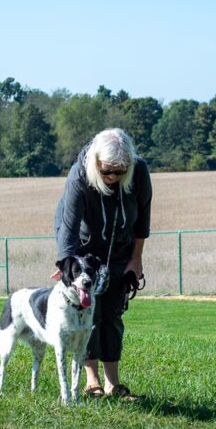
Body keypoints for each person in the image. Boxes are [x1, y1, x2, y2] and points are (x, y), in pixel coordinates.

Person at [53, 128, 152, 400]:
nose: (113, 178)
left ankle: (113, 384)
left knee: (112, 313)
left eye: (120, 172)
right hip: (85, 251)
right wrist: (67, 267)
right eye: (108, 171)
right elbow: (69, 226)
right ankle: (91, 381)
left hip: (120, 248)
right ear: (96, 163)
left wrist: (136, 260)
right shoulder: (79, 176)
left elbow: (143, 219)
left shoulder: (139, 171)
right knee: (89, 311)